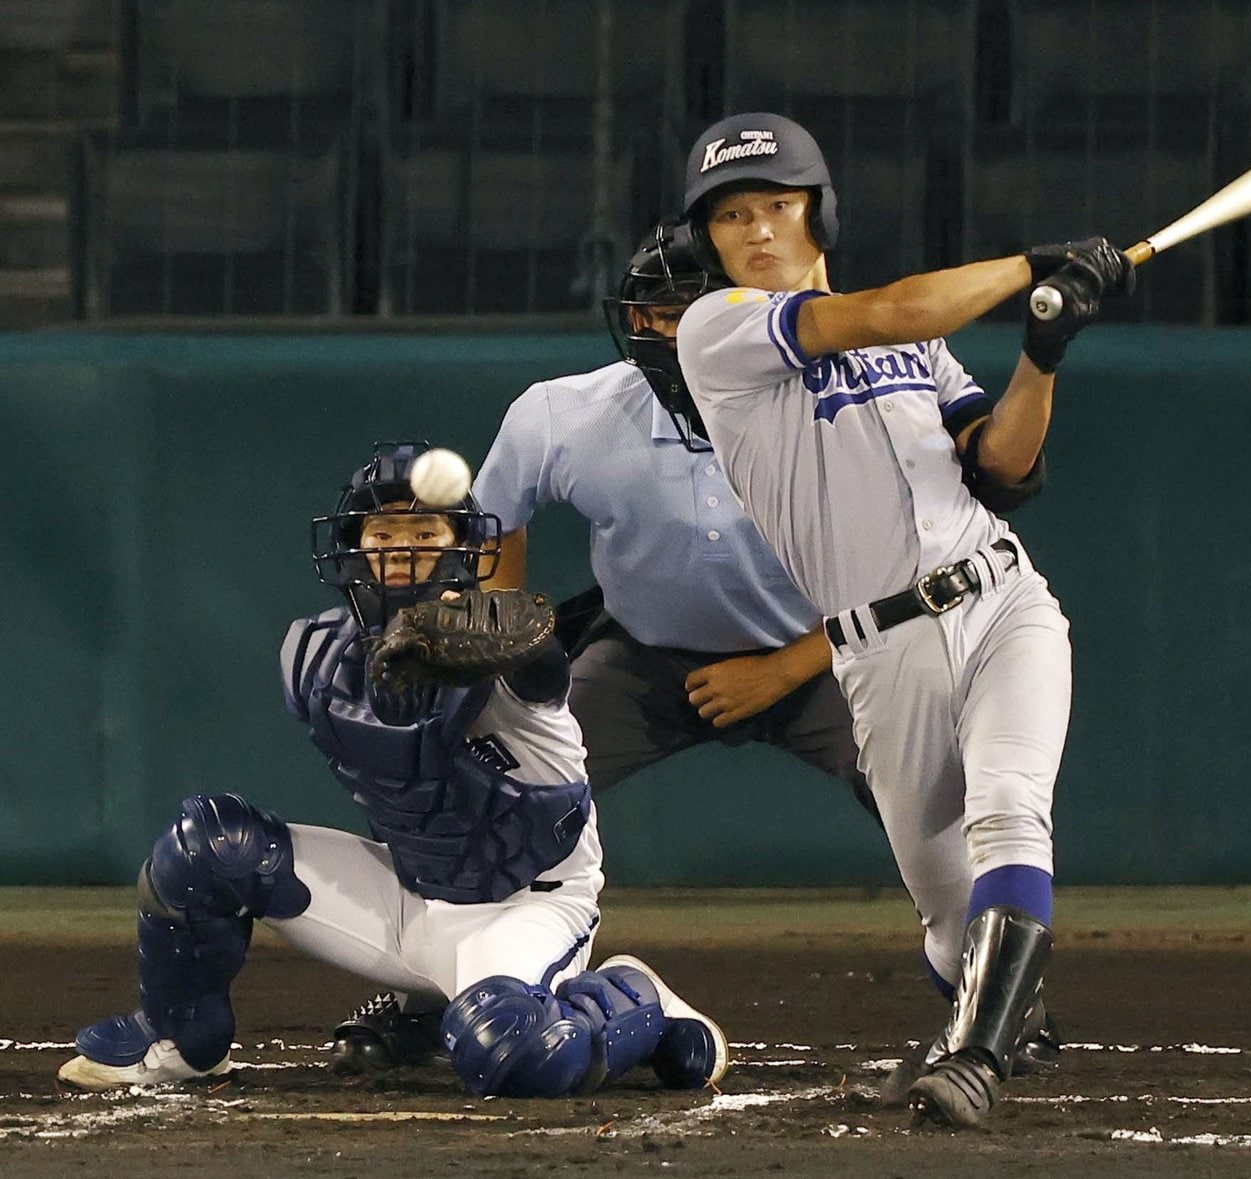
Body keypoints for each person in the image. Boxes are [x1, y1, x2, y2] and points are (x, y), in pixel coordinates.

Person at [670, 113, 1133, 1127]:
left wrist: (1043, 353)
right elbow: (877, 316)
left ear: (818, 209)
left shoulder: (920, 336)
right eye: (731, 216)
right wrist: (1030, 264)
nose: (754, 230)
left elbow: (1003, 467)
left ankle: (972, 1056)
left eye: (776, 205)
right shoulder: (717, 332)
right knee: (948, 916)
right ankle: (1005, 1005)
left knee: (1012, 808)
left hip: (1003, 601)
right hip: (880, 654)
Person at [56, 442, 727, 1099]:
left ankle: (634, 995)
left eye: (423, 529)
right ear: (354, 545)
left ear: (461, 546)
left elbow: (538, 658)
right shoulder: (315, 656)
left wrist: (473, 646)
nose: (402, 546)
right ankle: (178, 1044)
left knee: (517, 1051)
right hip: (408, 895)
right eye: (385, 530)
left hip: (526, 902)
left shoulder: (510, 647)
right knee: (205, 847)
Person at [471, 221, 878, 817]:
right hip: (642, 657)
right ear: (637, 321)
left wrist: (783, 671)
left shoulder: (846, 410)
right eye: (671, 313)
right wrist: (500, 634)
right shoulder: (566, 414)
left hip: (819, 650)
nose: (695, 335)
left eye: (717, 312)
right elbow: (493, 518)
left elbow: (907, 575)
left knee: (923, 781)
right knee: (504, 788)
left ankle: (990, 910)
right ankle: (491, 912)